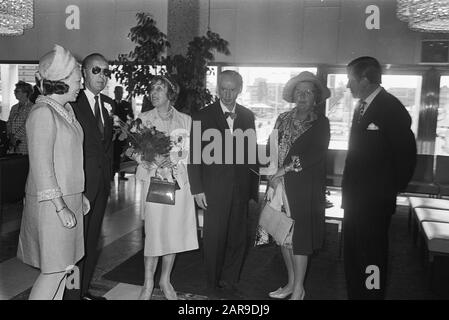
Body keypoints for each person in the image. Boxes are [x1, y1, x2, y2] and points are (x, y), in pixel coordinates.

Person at [17, 44, 89, 300]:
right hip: (51, 204)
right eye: (78, 80)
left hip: (68, 199)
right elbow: (42, 167)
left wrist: (78, 196)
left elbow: (67, 159)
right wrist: (61, 206)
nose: (81, 85)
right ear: (60, 81)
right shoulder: (42, 113)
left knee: (65, 268)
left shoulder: (66, 111)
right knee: (53, 271)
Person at [342, 56, 416, 300]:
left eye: (350, 79)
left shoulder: (391, 108)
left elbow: (406, 157)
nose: (347, 85)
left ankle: (371, 297)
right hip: (354, 199)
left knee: (372, 255)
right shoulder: (361, 106)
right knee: (353, 253)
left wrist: (386, 192)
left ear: (364, 79)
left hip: (374, 202)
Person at [187, 70, 259, 298]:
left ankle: (231, 280)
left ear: (240, 89)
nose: (227, 94)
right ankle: (212, 282)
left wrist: (252, 189)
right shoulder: (202, 116)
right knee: (214, 239)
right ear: (217, 89)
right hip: (213, 189)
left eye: (232, 89)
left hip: (240, 187)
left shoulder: (247, 116)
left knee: (238, 238)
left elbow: (251, 154)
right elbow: (194, 155)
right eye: (223, 89)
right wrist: (197, 188)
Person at [264, 71, 330, 300]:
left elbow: (316, 153)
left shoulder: (321, 123)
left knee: (299, 238)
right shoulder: (282, 118)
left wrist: (285, 169)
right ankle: (291, 283)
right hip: (279, 186)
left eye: (308, 92)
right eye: (299, 92)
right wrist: (271, 172)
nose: (302, 96)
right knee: (284, 235)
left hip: (304, 189)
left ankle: (300, 288)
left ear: (315, 97)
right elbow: (271, 146)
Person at [135, 76, 198, 300]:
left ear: (170, 93)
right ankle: (148, 283)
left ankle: (165, 279)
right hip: (154, 182)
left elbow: (191, 153)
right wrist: (153, 160)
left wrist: (177, 161)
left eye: (159, 88)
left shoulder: (186, 120)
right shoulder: (143, 119)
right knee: (153, 233)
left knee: (172, 233)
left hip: (178, 183)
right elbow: (133, 151)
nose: (154, 92)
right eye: (152, 88)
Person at [64, 53, 114, 300]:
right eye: (97, 70)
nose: (102, 76)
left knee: (91, 241)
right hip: (80, 186)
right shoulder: (71, 103)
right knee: (75, 246)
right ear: (84, 72)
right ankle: (70, 294)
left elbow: (106, 147)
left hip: (101, 185)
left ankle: (83, 290)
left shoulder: (108, 104)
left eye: (106, 71)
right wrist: (75, 187)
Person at [112, 85, 134, 181]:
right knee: (113, 154)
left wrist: (127, 127)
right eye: (117, 92)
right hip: (113, 134)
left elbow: (131, 117)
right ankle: (111, 175)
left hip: (124, 133)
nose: (119, 94)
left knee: (123, 153)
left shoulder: (126, 104)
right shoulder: (111, 103)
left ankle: (122, 174)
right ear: (114, 93)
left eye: (121, 92)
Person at [6, 81, 34, 154]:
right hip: (12, 144)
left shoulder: (32, 108)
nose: (14, 92)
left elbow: (27, 125)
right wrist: (10, 135)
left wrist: (15, 137)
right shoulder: (14, 107)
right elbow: (9, 122)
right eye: (15, 91)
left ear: (25, 93)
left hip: (25, 143)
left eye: (17, 91)